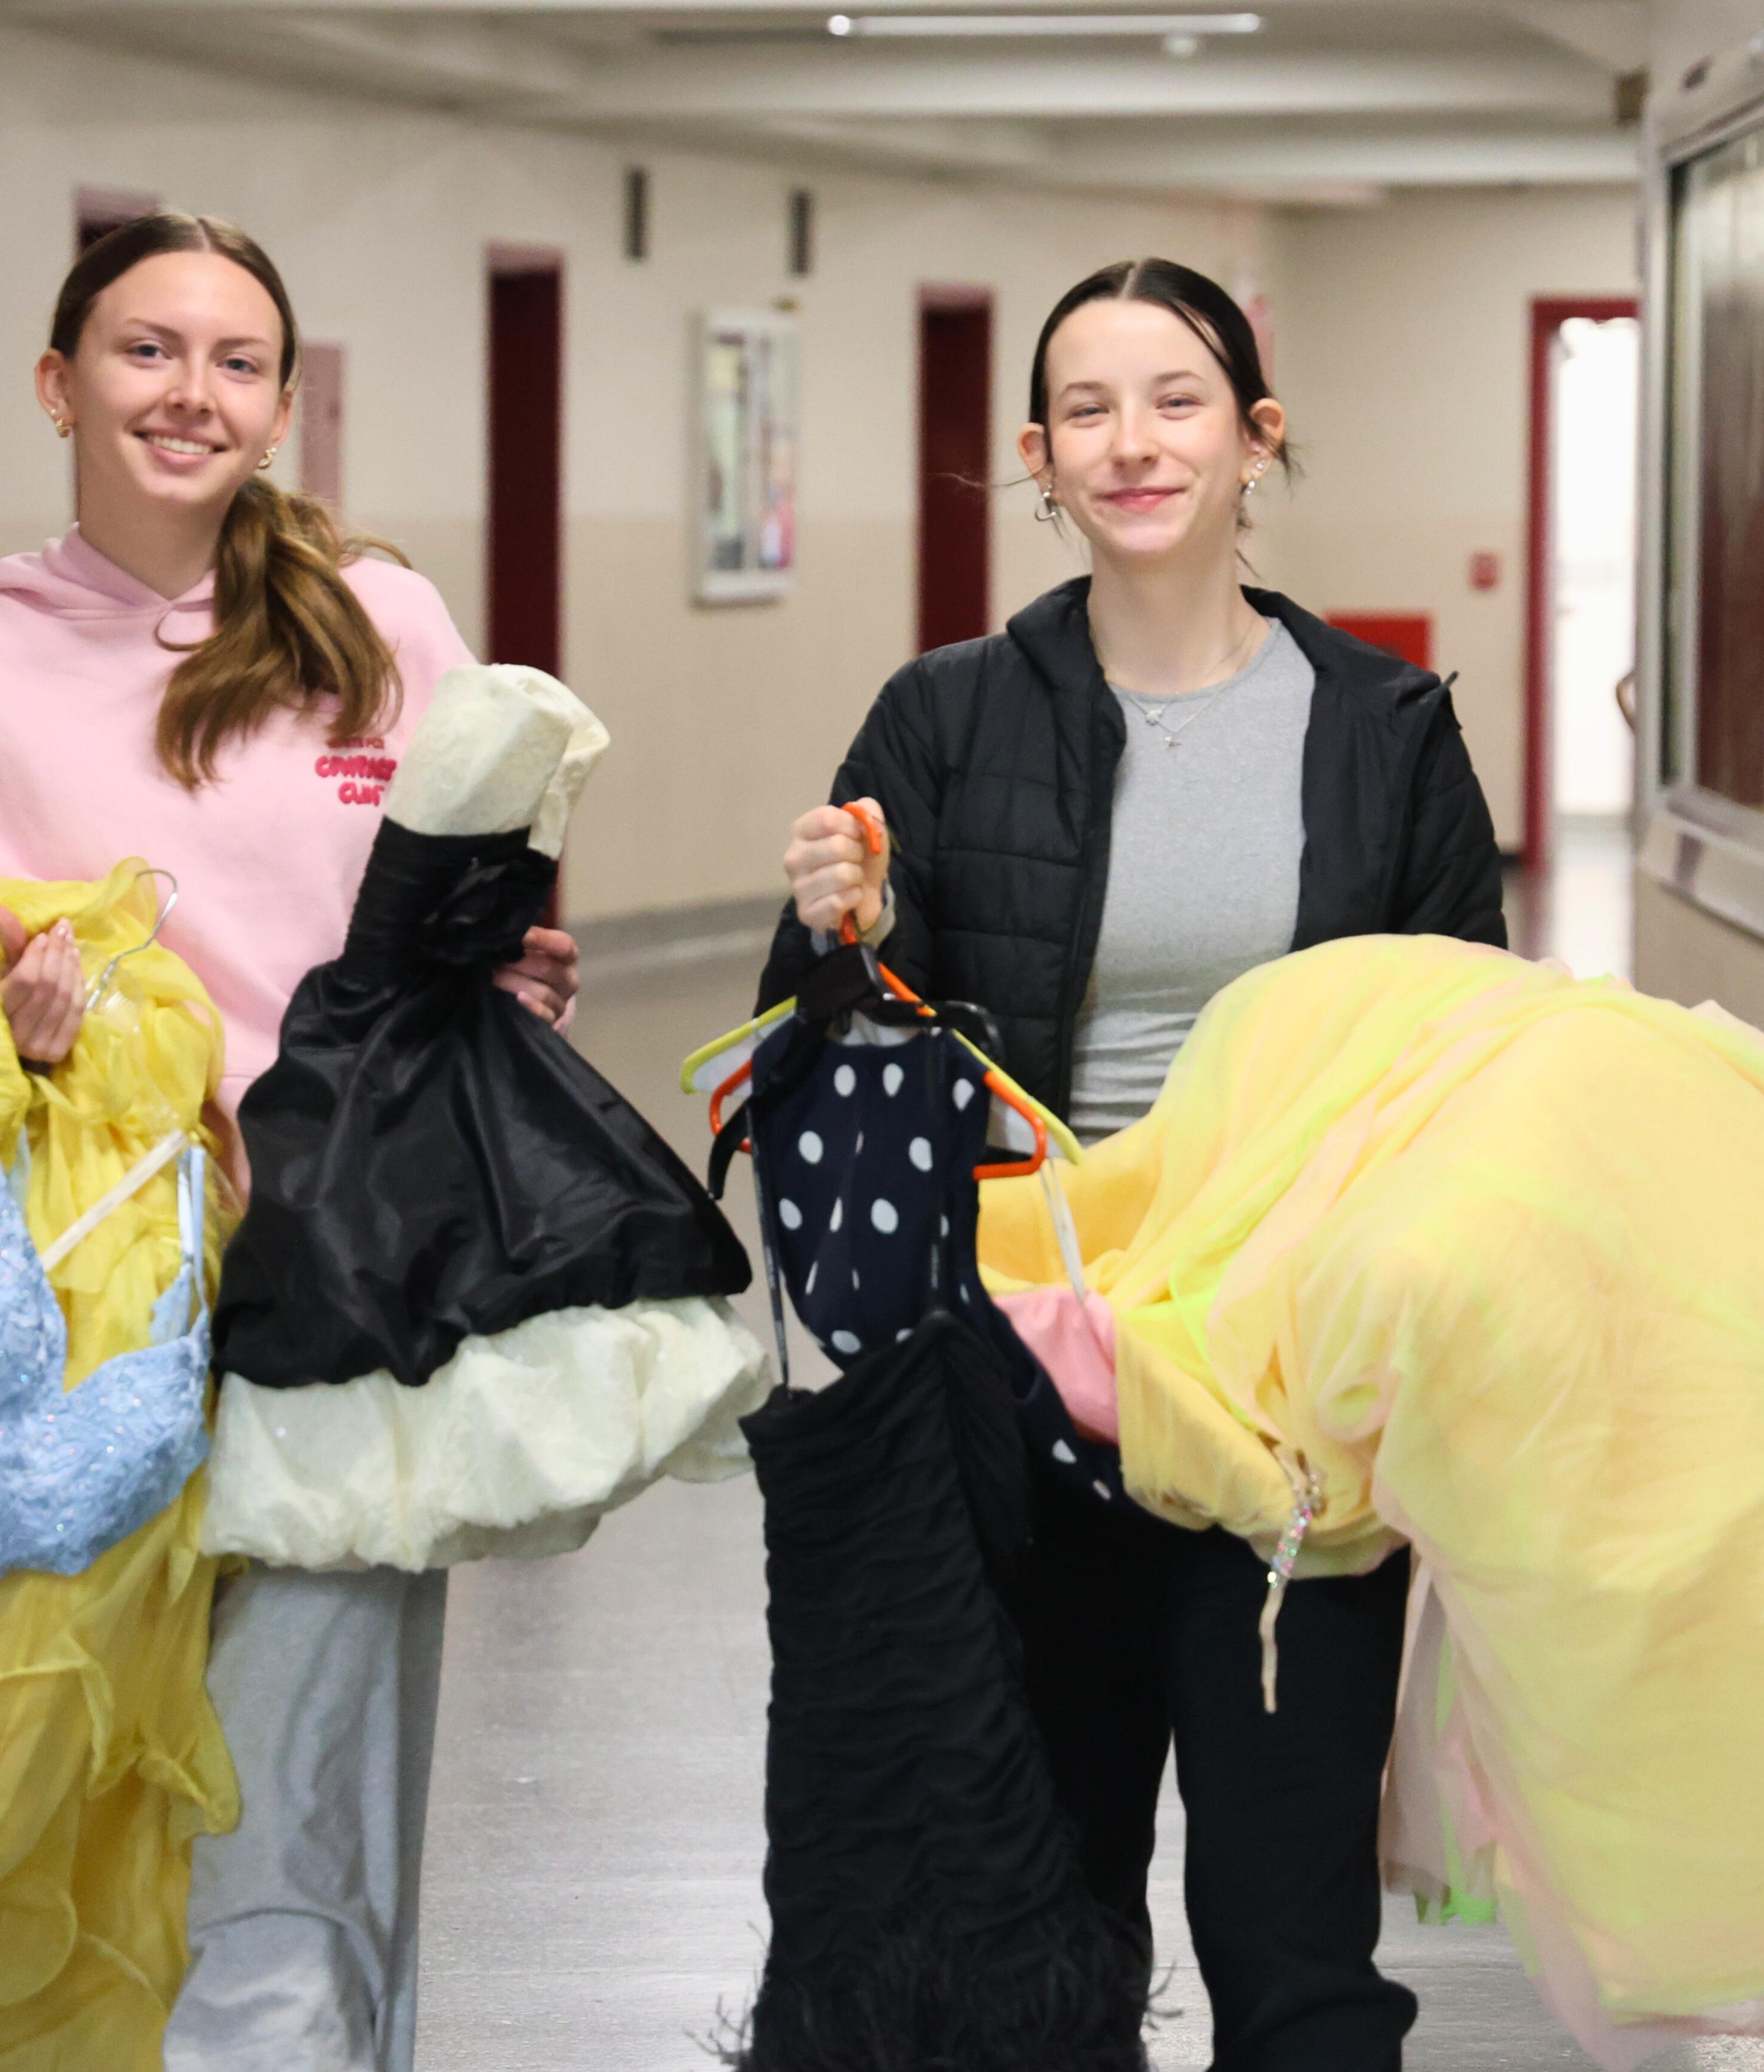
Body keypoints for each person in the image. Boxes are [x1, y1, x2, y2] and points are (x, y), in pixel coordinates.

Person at [0, 210, 578, 2072]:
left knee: (303, 1812)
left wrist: (506, 983)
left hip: (342, 1277)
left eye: (239, 362)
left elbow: (480, 902)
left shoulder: (381, 626)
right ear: (62, 383)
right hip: (82, 1318)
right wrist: (3, 1033)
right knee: (75, 1806)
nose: (193, 393)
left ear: (287, 403)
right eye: (149, 352)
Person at [760, 255, 1505, 2072]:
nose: (1132, 441)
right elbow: (831, 1043)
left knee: (1292, 1930)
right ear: (1038, 453)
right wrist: (839, 929)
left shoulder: (1386, 728)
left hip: (1286, 1393)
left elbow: (1463, 1058)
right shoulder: (945, 715)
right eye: (1087, 407)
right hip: (1028, 1380)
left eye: (1176, 398)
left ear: (1256, 439)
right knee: (1039, 1900)